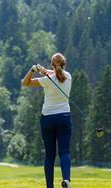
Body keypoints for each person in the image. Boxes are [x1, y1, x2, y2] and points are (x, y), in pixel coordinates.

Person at [22, 53, 72, 188]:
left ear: (52, 64)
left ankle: (50, 186)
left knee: (50, 156)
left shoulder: (46, 80)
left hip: (48, 119)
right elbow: (57, 73)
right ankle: (66, 180)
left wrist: (33, 69)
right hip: (64, 118)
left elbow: (25, 83)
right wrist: (43, 69)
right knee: (65, 152)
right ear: (64, 64)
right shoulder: (68, 76)